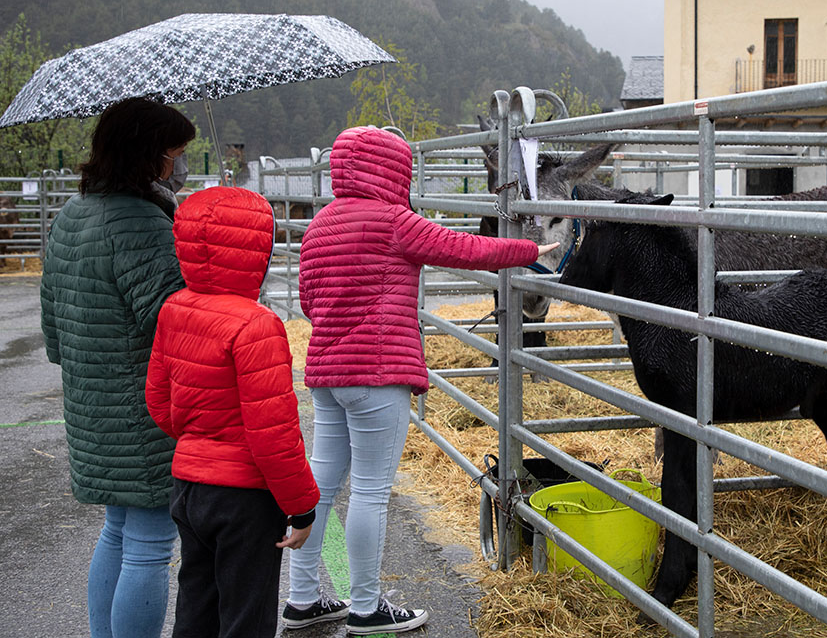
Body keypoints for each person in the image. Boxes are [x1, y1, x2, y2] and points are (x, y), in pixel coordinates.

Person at [284, 125, 559, 635]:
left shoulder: (320, 225)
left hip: (327, 374)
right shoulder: (393, 220)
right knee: (370, 491)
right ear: (391, 169)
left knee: (321, 486)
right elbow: (464, 249)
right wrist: (530, 252)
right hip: (378, 374)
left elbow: (307, 302)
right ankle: (366, 607)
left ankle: (302, 598)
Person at [39, 97, 195, 638]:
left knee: (117, 532)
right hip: (143, 414)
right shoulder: (140, 223)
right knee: (150, 548)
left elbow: (53, 329)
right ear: (148, 155)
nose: (178, 166)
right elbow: (173, 322)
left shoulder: (70, 216)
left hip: (90, 406)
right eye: (174, 154)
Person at [145, 186, 320, 638]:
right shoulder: (256, 324)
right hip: (244, 496)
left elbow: (159, 403)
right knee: (247, 615)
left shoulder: (174, 308)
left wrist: (199, 442)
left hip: (187, 486)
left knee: (197, 604)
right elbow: (273, 434)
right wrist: (301, 508)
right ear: (256, 250)